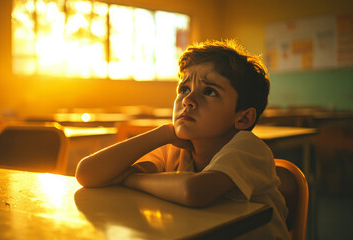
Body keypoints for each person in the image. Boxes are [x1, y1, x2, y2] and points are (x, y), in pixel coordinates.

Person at [75, 39, 289, 239]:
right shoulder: (174, 146)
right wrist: (164, 133)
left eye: (210, 92)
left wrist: (128, 178)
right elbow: (87, 173)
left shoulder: (248, 148)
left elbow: (193, 191)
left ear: (242, 118)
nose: (188, 100)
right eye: (184, 89)